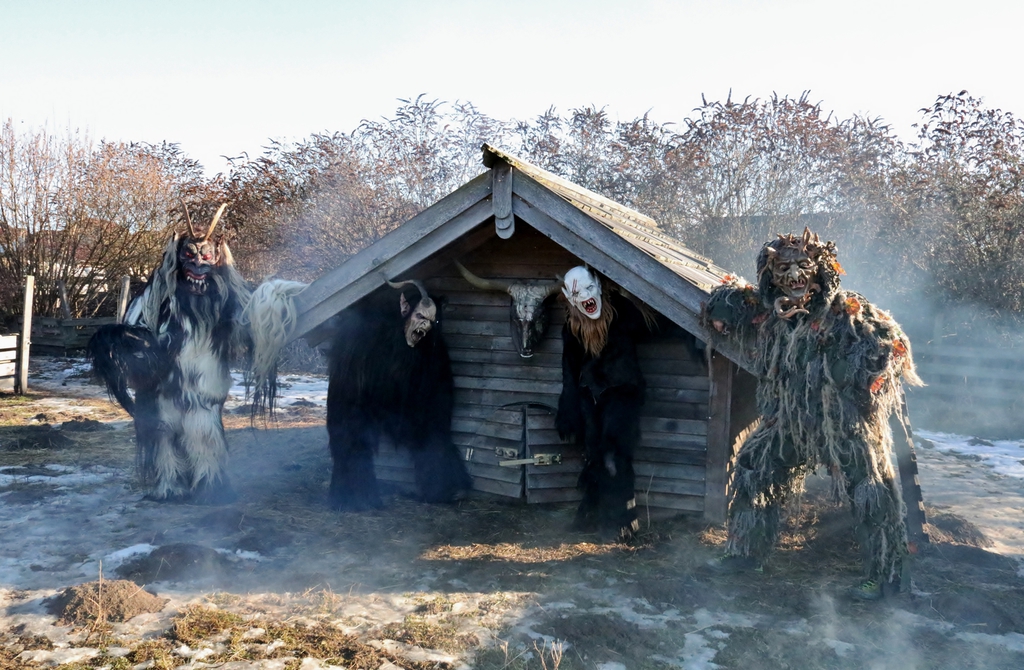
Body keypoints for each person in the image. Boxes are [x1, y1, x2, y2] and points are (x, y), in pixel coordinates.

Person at [701, 229, 922, 599]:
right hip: (788, 423)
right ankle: (745, 554)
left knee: (871, 490)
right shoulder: (771, 314)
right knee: (754, 464)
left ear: (820, 271)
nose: (794, 276)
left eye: (804, 266)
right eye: (783, 268)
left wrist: (858, 373)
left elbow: (893, 345)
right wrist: (728, 315)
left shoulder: (848, 311)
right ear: (771, 275)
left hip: (844, 425)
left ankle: (885, 576)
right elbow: (729, 300)